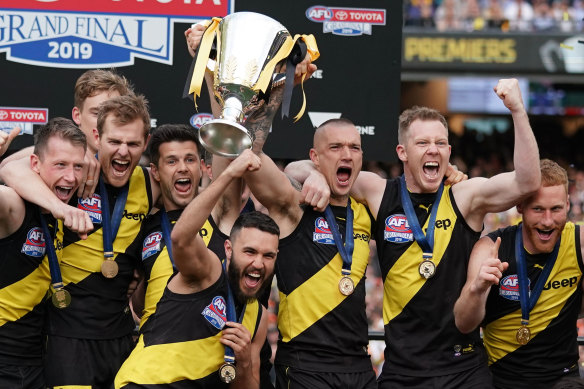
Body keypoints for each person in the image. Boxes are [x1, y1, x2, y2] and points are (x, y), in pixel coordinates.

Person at [286, 78, 541, 388]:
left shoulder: (464, 196)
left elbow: (527, 182)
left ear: (449, 150)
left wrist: (517, 109)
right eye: (422, 143)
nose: (433, 149)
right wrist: (313, 174)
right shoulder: (377, 191)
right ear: (402, 152)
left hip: (463, 369)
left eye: (440, 143)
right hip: (403, 373)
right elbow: (294, 170)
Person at [0, 94, 161, 387]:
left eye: (133, 144)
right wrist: (60, 206)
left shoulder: (150, 183)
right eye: (114, 142)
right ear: (97, 138)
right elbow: (12, 169)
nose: (123, 152)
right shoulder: (73, 175)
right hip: (63, 342)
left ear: (145, 143)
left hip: (122, 341)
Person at [114, 149, 277, 388]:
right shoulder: (209, 271)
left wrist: (243, 363)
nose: (258, 263)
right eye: (250, 252)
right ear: (228, 250)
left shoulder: (258, 317)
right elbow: (181, 238)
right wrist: (230, 173)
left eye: (268, 255)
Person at [243, 112, 378, 388]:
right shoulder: (294, 205)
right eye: (336, 147)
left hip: (359, 367)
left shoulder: (368, 210)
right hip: (306, 366)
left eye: (354, 147)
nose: (347, 154)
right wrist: (270, 106)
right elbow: (252, 157)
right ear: (315, 157)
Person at [454, 159, 584, 389]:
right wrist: (478, 288)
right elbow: (464, 323)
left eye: (556, 209)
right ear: (520, 206)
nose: (547, 221)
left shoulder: (579, 243)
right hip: (501, 379)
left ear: (567, 204)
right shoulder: (490, 248)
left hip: (563, 378)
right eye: (538, 209)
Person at [0, 118, 86, 388]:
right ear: (35, 165)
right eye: (60, 165)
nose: (71, 177)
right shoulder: (16, 204)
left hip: (34, 364)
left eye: (78, 167)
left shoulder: (58, 209)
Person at [0, 69, 134, 198]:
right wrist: (78, 152)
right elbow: (6, 167)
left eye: (114, 115)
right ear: (77, 115)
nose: (103, 123)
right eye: (97, 113)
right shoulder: (47, 163)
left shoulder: (131, 166)